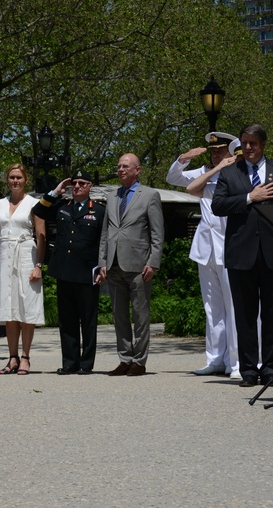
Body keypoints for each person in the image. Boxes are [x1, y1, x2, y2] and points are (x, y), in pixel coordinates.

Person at [212, 124, 273, 388]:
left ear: (263, 144)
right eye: (244, 142)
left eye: (253, 143)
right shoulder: (229, 173)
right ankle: (248, 370)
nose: (248, 148)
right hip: (241, 253)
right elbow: (218, 206)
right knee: (245, 315)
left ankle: (271, 369)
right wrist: (250, 196)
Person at [167, 132, 241, 379]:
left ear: (232, 150)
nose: (215, 154)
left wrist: (222, 167)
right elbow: (173, 177)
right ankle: (215, 359)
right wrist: (184, 158)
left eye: (220, 150)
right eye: (213, 150)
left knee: (234, 307)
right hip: (206, 249)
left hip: (228, 246)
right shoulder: (206, 171)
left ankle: (237, 361)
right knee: (213, 308)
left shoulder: (236, 172)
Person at [97, 153, 164, 377]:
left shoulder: (150, 195)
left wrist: (153, 262)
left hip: (138, 265)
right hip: (114, 264)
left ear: (138, 170)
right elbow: (106, 232)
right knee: (119, 316)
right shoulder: (112, 195)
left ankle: (139, 361)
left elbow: (157, 233)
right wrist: (102, 262)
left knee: (140, 315)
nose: (121, 170)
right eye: (119, 166)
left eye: (126, 166)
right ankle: (124, 359)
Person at [33, 170, 105, 375]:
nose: (78, 186)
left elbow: (104, 241)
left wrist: (102, 266)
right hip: (64, 271)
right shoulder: (62, 206)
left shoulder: (98, 211)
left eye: (83, 183)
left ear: (90, 186)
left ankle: (86, 363)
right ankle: (69, 362)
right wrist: (55, 191)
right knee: (67, 320)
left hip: (87, 272)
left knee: (88, 321)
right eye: (75, 183)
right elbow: (39, 210)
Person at [0, 164, 46, 376]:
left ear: (26, 180)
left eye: (19, 178)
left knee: (26, 307)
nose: (15, 181)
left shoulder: (34, 203)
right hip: (5, 256)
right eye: (12, 177)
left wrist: (38, 266)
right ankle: (12, 357)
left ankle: (25, 357)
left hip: (26, 255)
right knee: (9, 308)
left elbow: (41, 235)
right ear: (7, 180)